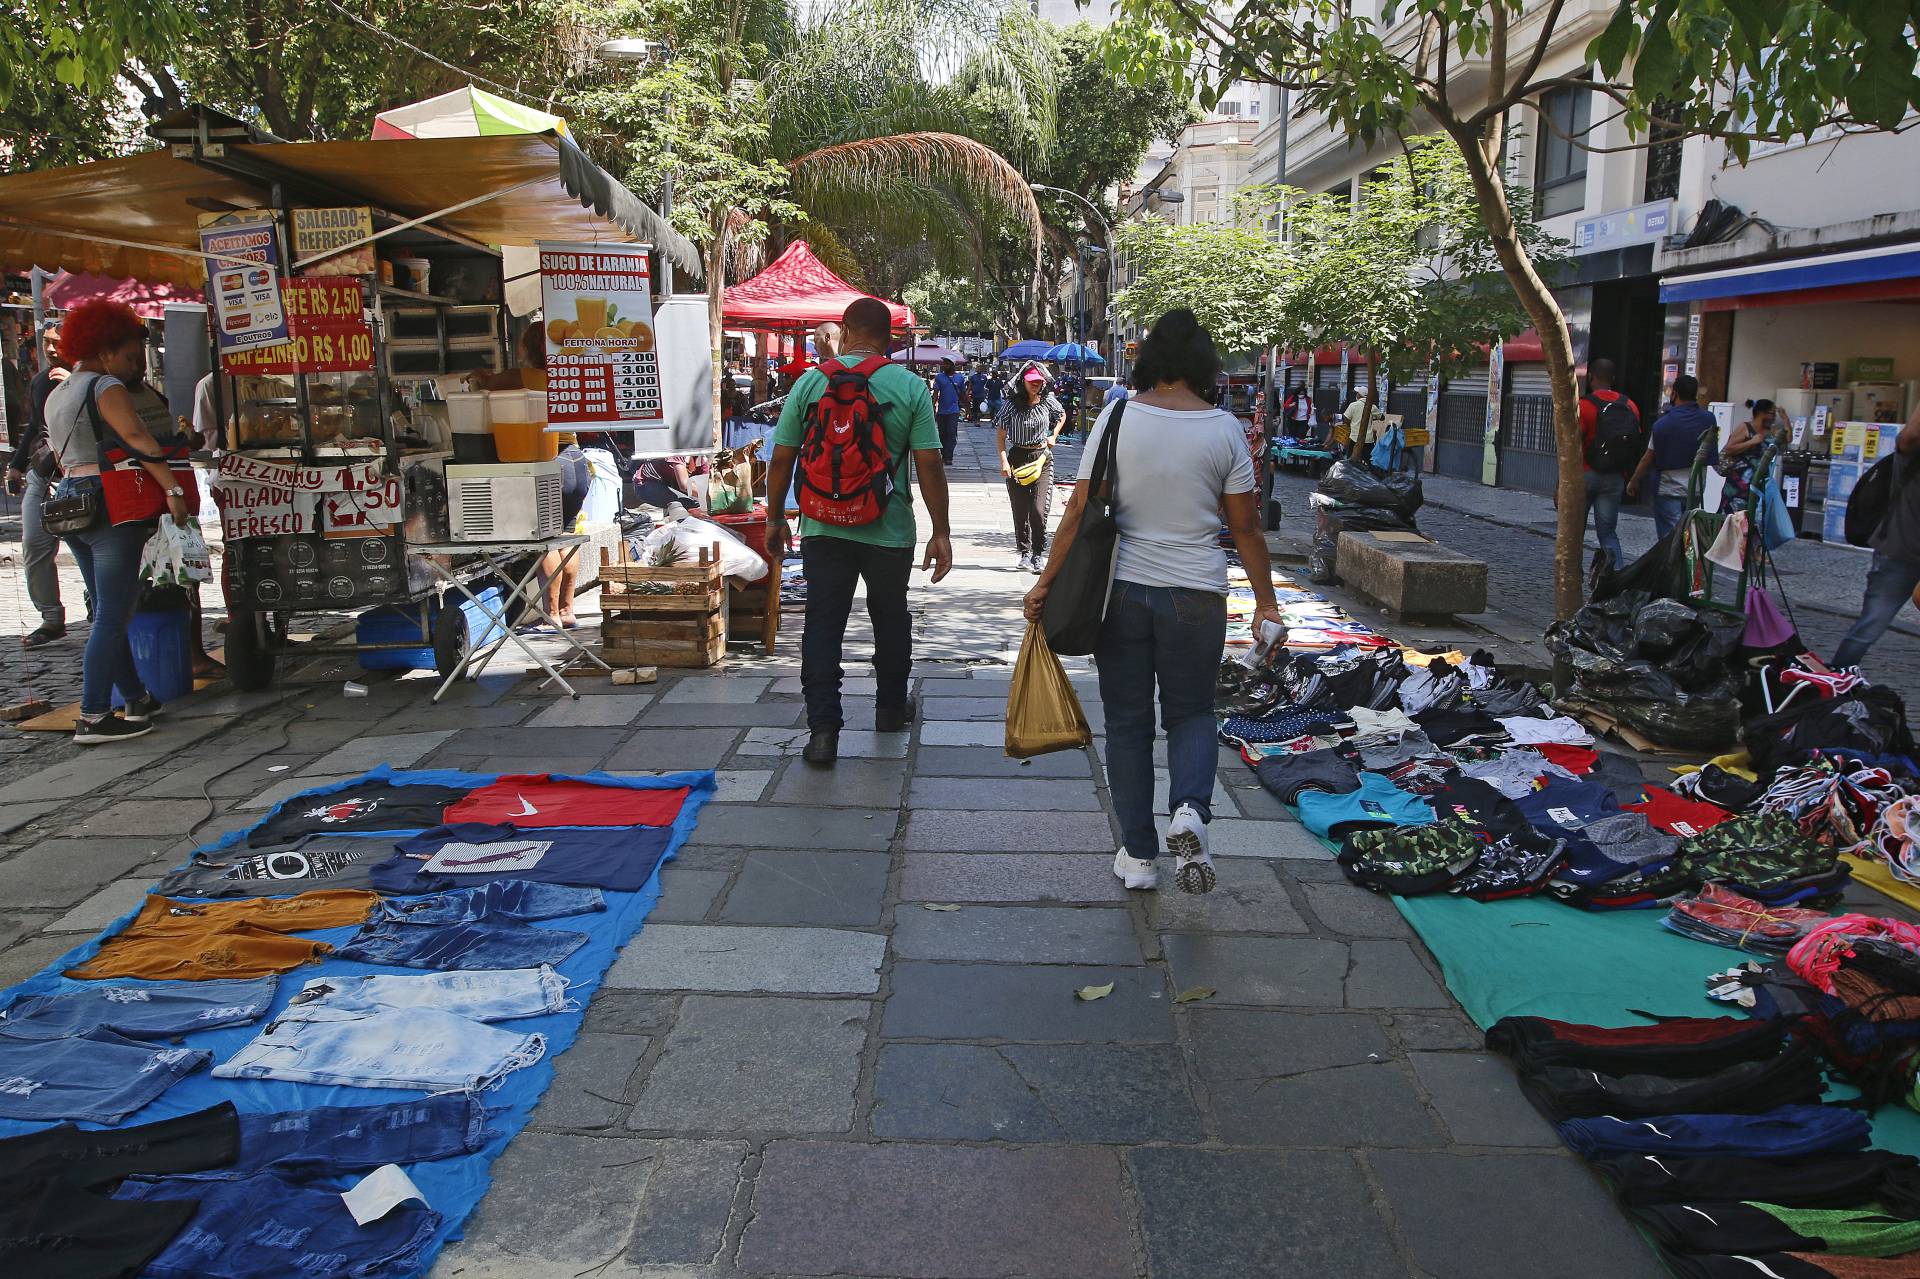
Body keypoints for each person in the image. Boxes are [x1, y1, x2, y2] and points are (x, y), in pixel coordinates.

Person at [1023, 309, 1282, 896]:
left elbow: (1077, 510)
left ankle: (1139, 855)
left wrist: (1044, 583)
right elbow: (1245, 529)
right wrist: (1266, 603)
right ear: (1204, 364)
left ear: (1148, 360)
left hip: (1122, 593)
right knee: (1192, 713)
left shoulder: (1115, 417)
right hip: (1197, 593)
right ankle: (1189, 810)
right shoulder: (1224, 429)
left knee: (1130, 723)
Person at [767, 297, 953, 766]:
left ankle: (824, 731)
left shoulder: (810, 383)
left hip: (822, 528)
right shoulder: (909, 386)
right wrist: (941, 531)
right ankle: (890, 708)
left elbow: (782, 458)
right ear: (889, 339)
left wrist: (773, 519)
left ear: (845, 332)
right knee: (890, 618)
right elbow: (929, 463)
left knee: (823, 624)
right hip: (888, 528)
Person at [43, 300, 193, 744]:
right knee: (113, 612)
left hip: (70, 501)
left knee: (106, 608)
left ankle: (135, 697)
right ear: (105, 350)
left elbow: (59, 455)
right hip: (107, 502)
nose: (133, 367)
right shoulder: (105, 385)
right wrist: (173, 488)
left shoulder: (58, 393)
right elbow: (136, 437)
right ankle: (92, 715)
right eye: (130, 356)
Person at [1833, 404, 1920, 669]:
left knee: (1869, 625)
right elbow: (1909, 436)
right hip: (1899, 553)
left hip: (1899, 552)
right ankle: (1835, 680)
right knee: (1869, 626)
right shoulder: (1910, 456)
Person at [5, 323, 70, 647]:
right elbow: (34, 426)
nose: (51, 349)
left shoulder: (98, 381)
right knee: (34, 542)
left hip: (83, 473)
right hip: (45, 472)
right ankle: (51, 617)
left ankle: (101, 607)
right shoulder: (42, 381)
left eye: (57, 342)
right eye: (47, 342)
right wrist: (16, 465)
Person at [1629, 374, 1717, 542]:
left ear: (1674, 393)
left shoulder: (1663, 424)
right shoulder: (1708, 419)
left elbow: (1648, 457)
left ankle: (1671, 566)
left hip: (1668, 487)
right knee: (1688, 534)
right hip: (1695, 487)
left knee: (1670, 538)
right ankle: (1687, 565)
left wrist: (1634, 480)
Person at [995, 363, 1065, 574]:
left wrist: (1054, 435)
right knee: (1020, 509)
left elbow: (1061, 415)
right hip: (1017, 457)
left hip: (1042, 458)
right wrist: (1004, 461)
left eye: (1039, 382)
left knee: (1038, 509)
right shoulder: (1010, 405)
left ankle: (1038, 554)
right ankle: (1024, 553)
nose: (1036, 385)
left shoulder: (1048, 401)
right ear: (1023, 382)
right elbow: (1000, 436)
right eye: (1032, 381)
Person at [1576, 358, 1641, 569]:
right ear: (1612, 379)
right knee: (1608, 533)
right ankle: (1616, 579)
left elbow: (1573, 446)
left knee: (1575, 531)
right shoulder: (1630, 406)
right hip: (1614, 476)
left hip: (1585, 473)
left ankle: (1573, 576)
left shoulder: (1584, 406)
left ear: (1592, 378)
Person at [1718, 398, 1781, 512]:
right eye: (1772, 413)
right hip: (1739, 483)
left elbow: (1788, 439)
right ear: (1762, 413)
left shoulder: (1770, 431)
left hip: (1759, 484)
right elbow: (1729, 449)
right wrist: (1752, 441)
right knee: (1734, 518)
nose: (1774, 417)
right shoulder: (1745, 428)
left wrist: (1785, 419)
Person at [932, 358, 963, 464]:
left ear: (952, 365)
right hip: (941, 411)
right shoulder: (939, 377)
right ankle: (944, 453)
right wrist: (932, 406)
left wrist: (967, 409)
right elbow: (936, 393)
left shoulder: (960, 378)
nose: (944, 365)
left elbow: (963, 393)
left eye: (946, 364)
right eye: (943, 364)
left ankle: (949, 456)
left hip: (954, 411)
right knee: (942, 434)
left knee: (951, 433)